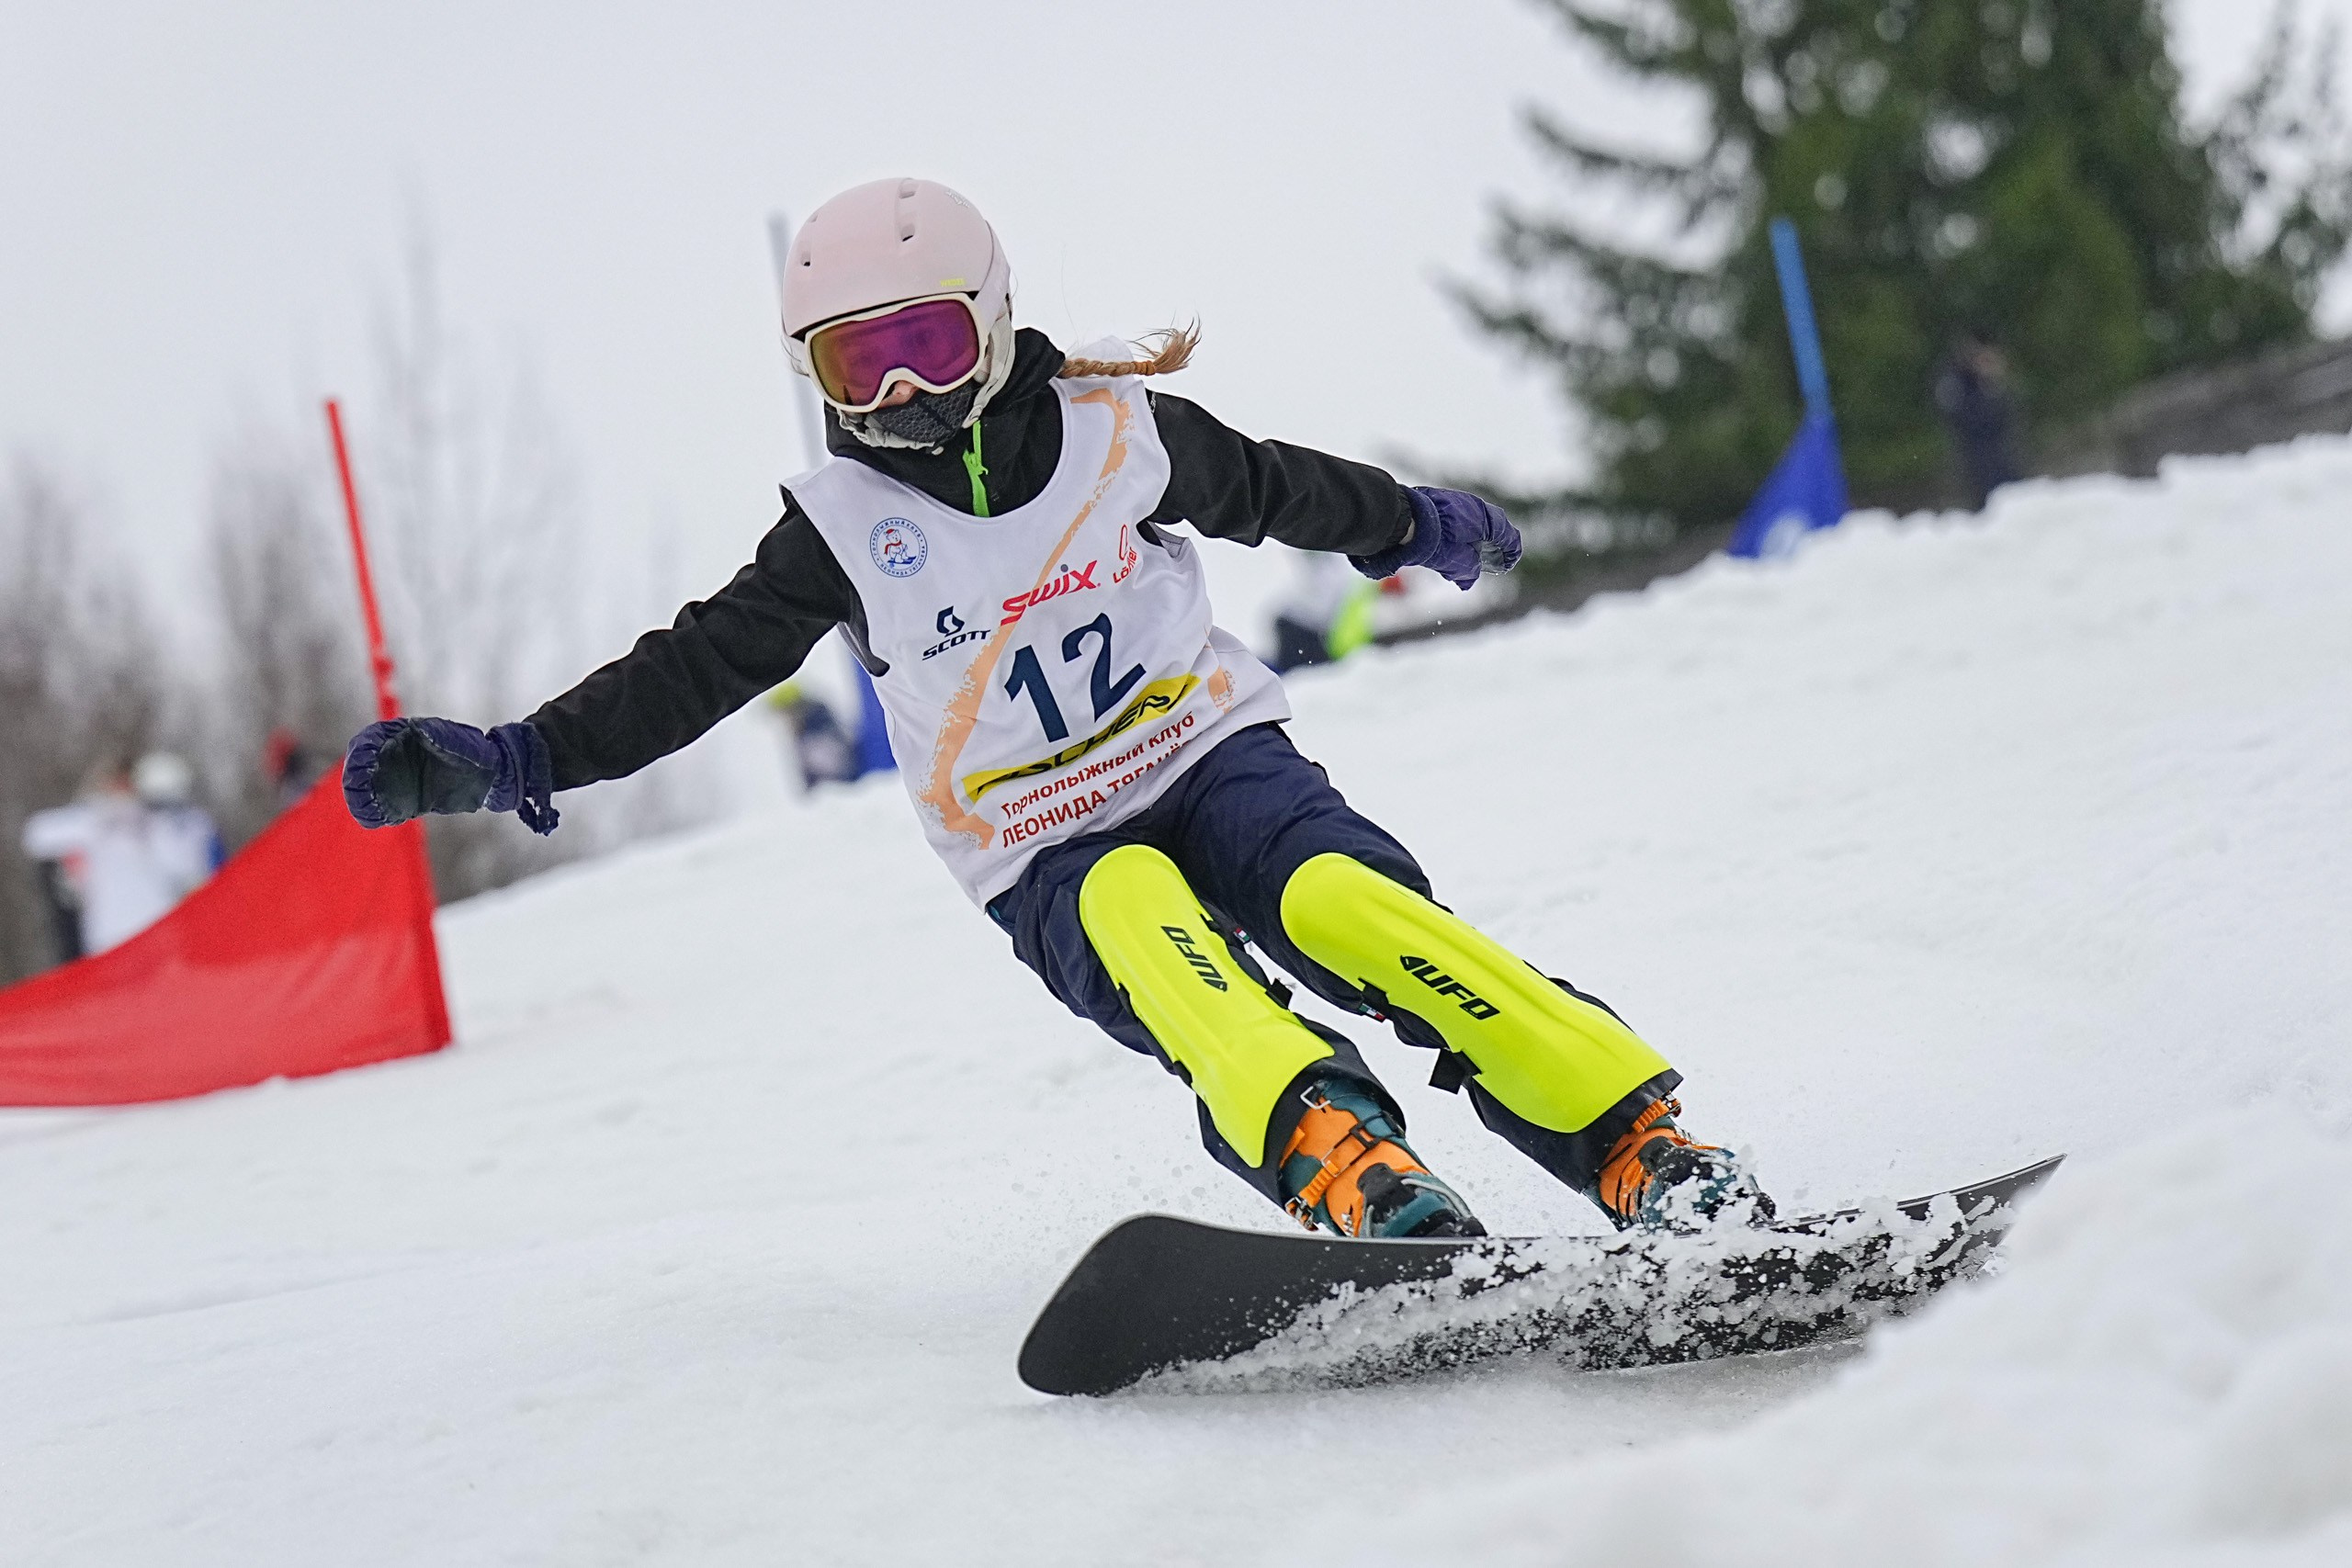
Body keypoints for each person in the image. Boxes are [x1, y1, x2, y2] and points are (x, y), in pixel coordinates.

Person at [340, 177, 1765, 1237]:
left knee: (1348, 903)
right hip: (1044, 848)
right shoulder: (838, 528)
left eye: (922, 345)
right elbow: (694, 667)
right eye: (855, 361)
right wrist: (524, 754)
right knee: (1152, 931)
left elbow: (1274, 487)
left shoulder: (1115, 434)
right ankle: (1342, 1153)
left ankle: (1632, 1137)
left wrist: (1405, 523)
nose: (896, 388)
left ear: (991, 320)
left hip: (1209, 761)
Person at [20, 752, 218, 958]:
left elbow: (187, 866)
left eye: (127, 783)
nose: (121, 790)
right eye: (116, 783)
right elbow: (36, 836)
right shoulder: (92, 820)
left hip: (159, 934)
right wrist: (100, 817)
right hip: (108, 941)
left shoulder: (159, 824)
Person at [1934, 328, 2023, 510]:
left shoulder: (1983, 381)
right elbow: (1967, 419)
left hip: (2001, 454)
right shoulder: (1955, 381)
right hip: (1974, 457)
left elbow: (2007, 417)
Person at [765, 681, 862, 790]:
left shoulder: (817, 732)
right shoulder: (803, 732)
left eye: (784, 713)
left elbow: (834, 773)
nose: (784, 721)